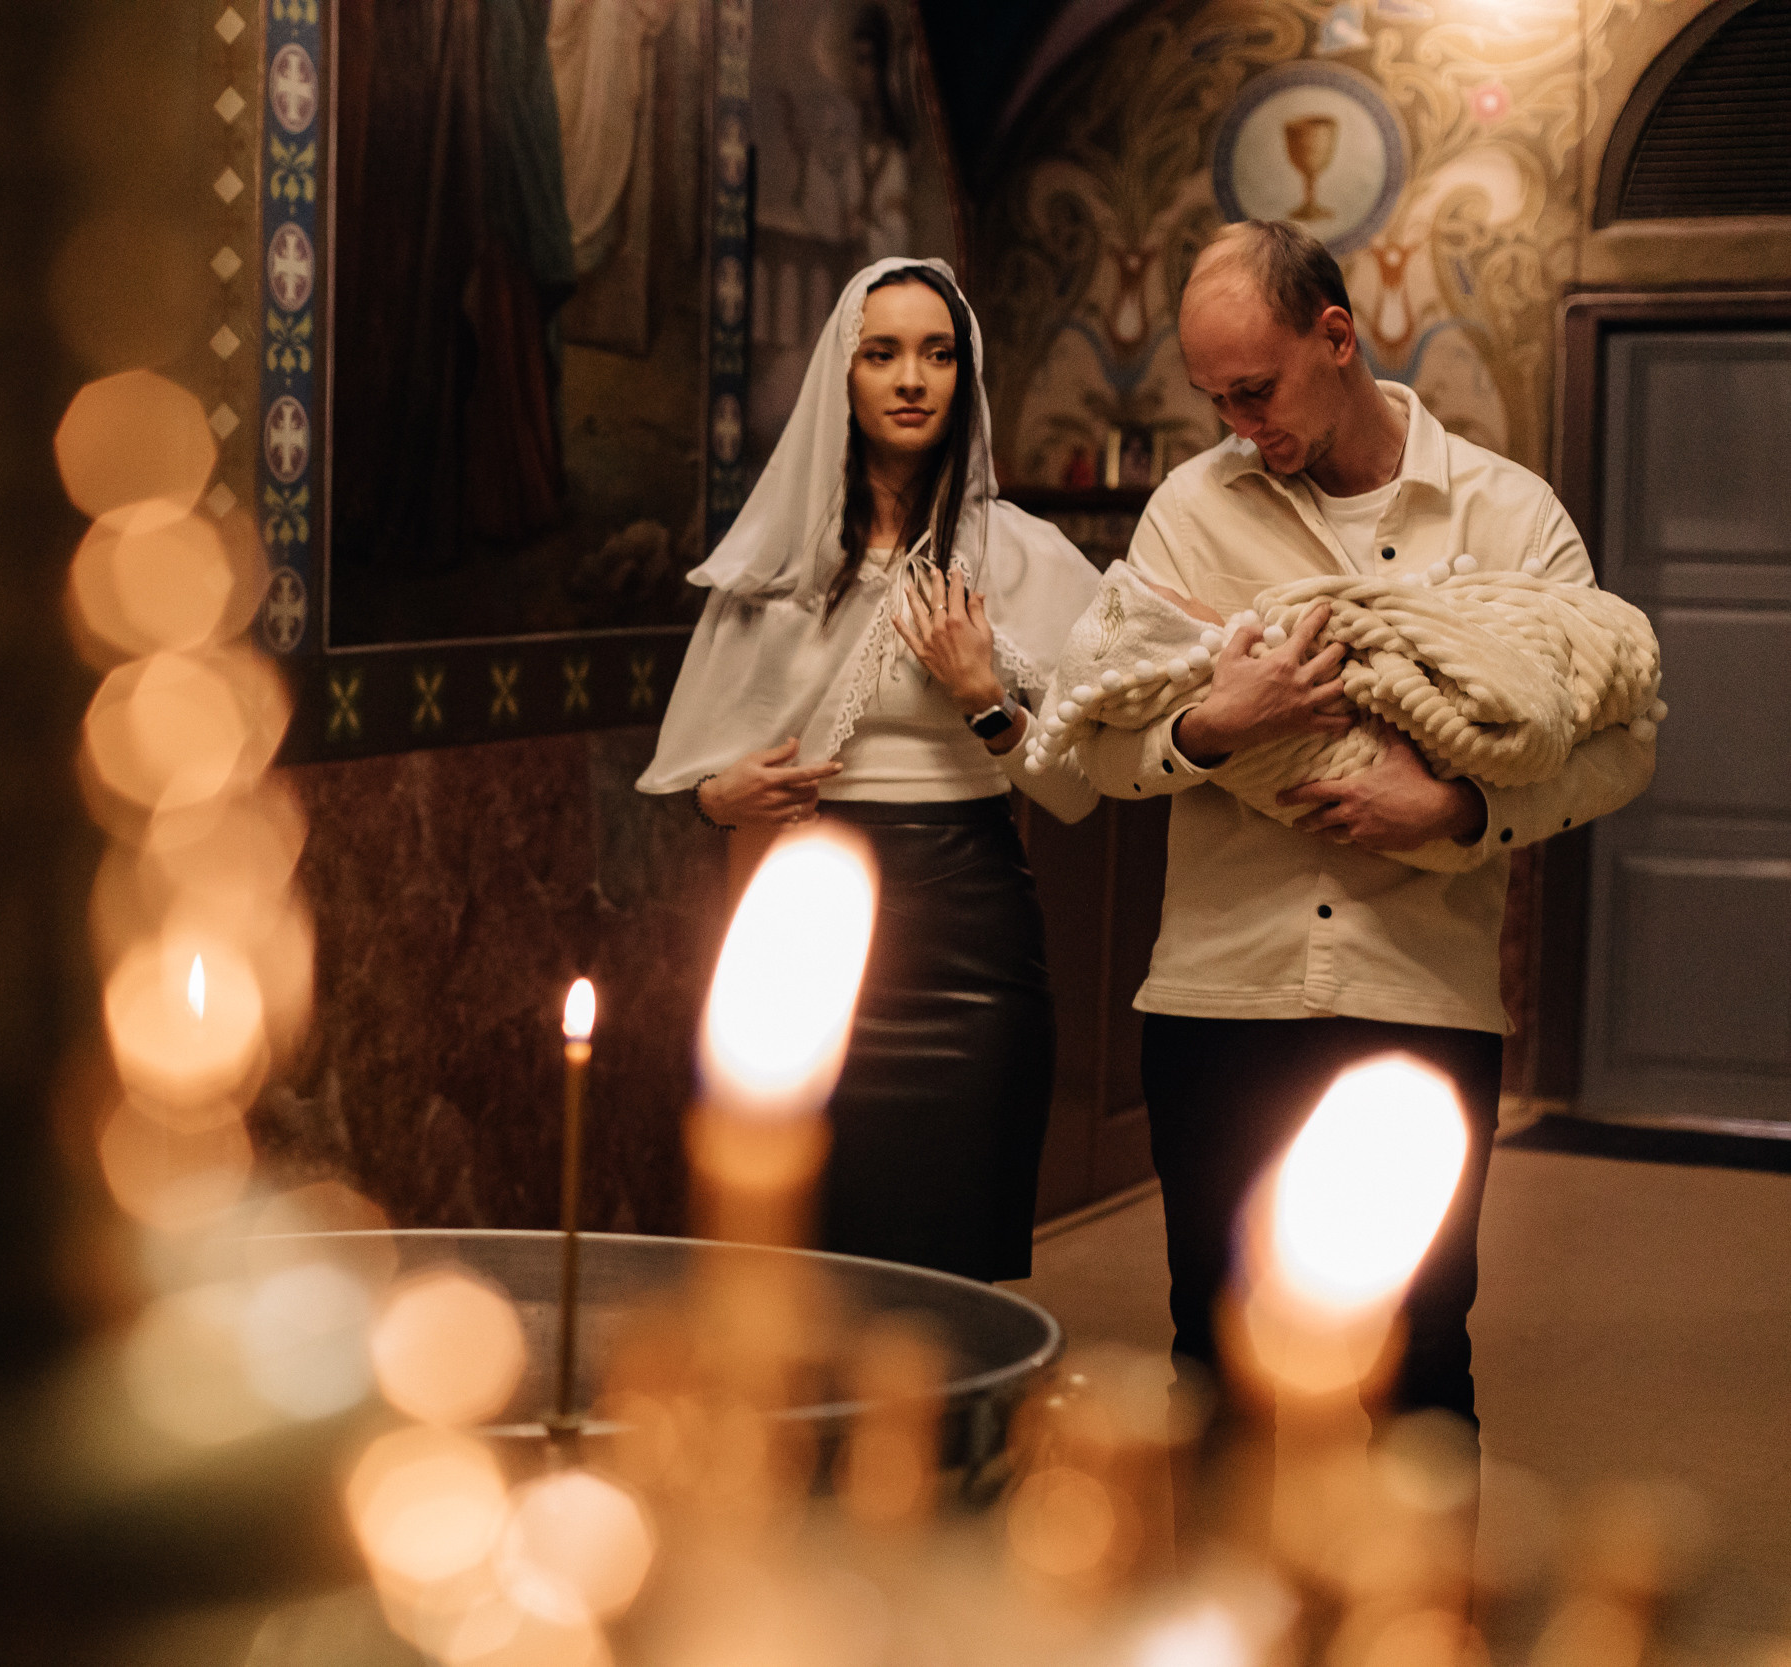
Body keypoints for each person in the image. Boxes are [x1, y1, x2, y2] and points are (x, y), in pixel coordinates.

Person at [1080, 222, 1655, 1454]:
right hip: (1218, 996)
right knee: (1217, 1363)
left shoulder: (1508, 511)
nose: (1240, 423)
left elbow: (1617, 744)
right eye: (1213, 398)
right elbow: (1100, 745)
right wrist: (1215, 726)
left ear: (1334, 336)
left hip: (1419, 997)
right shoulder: (1191, 510)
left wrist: (1462, 809)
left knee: (1417, 1362)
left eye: (1258, 388)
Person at [638, 258, 1101, 1282]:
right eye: (881, 353)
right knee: (807, 1272)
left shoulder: (1025, 559)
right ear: (840, 377)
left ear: (964, 380)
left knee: (949, 1287)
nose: (910, 378)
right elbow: (696, 778)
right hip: (806, 927)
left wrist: (987, 699)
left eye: (938, 355)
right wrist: (722, 799)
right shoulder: (778, 565)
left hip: (971, 944)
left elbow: (1076, 790)